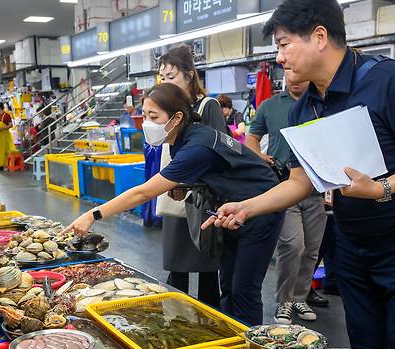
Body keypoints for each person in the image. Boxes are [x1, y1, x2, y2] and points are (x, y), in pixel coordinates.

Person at [203, 1, 395, 349]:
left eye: (284, 44)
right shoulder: (306, 108)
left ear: (319, 37)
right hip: (354, 247)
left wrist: (384, 188)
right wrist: (248, 207)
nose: (279, 57)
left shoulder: (391, 83)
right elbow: (303, 182)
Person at [65, 83, 282, 325]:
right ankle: (234, 338)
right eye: (145, 115)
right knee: (229, 286)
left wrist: (93, 215)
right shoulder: (185, 137)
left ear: (177, 117)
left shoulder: (197, 145)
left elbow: (143, 194)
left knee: (244, 290)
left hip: (262, 209)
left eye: (153, 116)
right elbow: (220, 170)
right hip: (231, 208)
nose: (146, 122)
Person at [246, 73, 329, 323]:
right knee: (293, 245)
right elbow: (252, 137)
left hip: (315, 187)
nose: (293, 79)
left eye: (299, 74)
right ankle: (284, 301)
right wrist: (259, 155)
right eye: (288, 74)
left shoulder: (322, 103)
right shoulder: (270, 106)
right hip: (283, 185)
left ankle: (300, 299)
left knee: (313, 247)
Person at [156, 44, 227, 308]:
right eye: (162, 77)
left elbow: (220, 152)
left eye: (171, 76)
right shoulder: (168, 108)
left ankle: (212, 326)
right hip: (175, 195)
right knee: (177, 268)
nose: (166, 82)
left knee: (208, 267)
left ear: (189, 74)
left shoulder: (208, 106)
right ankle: (177, 324)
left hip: (202, 200)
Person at [0, 102, 14, 171]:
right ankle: (0, 165)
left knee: (6, 150)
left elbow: (11, 125)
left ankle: (8, 165)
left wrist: (3, 128)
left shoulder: (7, 115)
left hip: (5, 136)